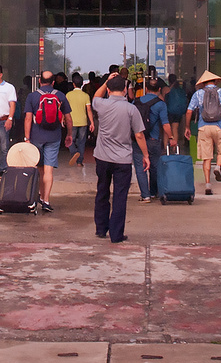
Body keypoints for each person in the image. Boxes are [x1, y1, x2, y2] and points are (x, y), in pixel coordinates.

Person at [90, 75, 148, 244]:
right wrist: (145, 155)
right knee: (120, 196)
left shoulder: (101, 104)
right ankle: (116, 235)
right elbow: (139, 135)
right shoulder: (131, 109)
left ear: (108, 89)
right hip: (122, 159)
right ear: (125, 90)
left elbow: (95, 97)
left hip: (102, 157)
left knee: (102, 191)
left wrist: (106, 81)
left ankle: (101, 229)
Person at [22, 70, 71, 212]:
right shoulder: (60, 95)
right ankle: (46, 200)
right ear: (53, 82)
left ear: (39, 81)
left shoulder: (32, 96)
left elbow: (28, 119)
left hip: (36, 136)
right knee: (49, 170)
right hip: (54, 136)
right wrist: (69, 134)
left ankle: (36, 198)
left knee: (38, 169)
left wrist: (27, 138)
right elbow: (68, 118)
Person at [184, 70, 221, 197]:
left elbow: (189, 111)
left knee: (206, 157)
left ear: (203, 83)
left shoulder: (198, 94)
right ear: (215, 81)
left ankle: (208, 184)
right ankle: (218, 167)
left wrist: (187, 127)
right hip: (220, 127)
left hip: (204, 128)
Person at [133, 77, 174, 202]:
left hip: (138, 140)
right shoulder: (161, 104)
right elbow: (165, 124)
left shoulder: (136, 102)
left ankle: (145, 195)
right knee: (154, 167)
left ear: (146, 89)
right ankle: (153, 192)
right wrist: (171, 137)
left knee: (140, 167)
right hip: (153, 139)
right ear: (159, 89)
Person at [65, 74, 93, 169]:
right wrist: (92, 122)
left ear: (73, 84)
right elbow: (89, 110)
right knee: (81, 142)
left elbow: (64, 109)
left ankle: (74, 152)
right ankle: (79, 162)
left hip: (71, 122)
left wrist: (62, 119)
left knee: (70, 140)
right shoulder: (85, 96)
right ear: (82, 84)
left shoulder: (68, 95)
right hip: (83, 122)